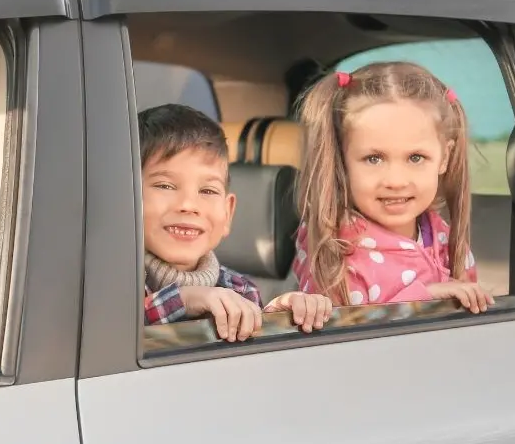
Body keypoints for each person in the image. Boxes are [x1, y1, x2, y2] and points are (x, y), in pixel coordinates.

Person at [291, 62, 493, 313]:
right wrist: (423, 300)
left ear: (444, 158)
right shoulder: (334, 251)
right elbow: (338, 341)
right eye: (374, 158)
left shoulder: (443, 236)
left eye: (416, 157)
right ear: (341, 160)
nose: (396, 180)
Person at [139, 104, 332, 342]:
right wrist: (184, 300)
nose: (189, 205)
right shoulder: (108, 283)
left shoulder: (240, 289)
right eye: (165, 186)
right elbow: (115, 335)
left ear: (228, 213)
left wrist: (280, 316)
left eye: (208, 190)